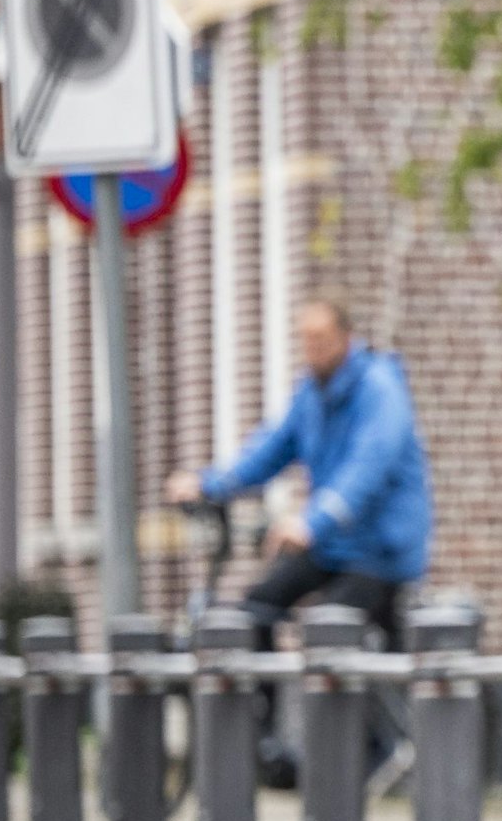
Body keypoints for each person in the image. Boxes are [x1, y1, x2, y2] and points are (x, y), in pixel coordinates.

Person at [169, 299, 434, 783]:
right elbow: (270, 449)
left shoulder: (380, 388)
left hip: (380, 551)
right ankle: (267, 740)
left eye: (322, 341)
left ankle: (365, 752)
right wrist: (210, 483)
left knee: (330, 627)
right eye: (306, 341)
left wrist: (315, 519)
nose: (312, 350)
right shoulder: (310, 394)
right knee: (256, 607)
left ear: (346, 338)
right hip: (332, 545)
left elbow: (367, 467)